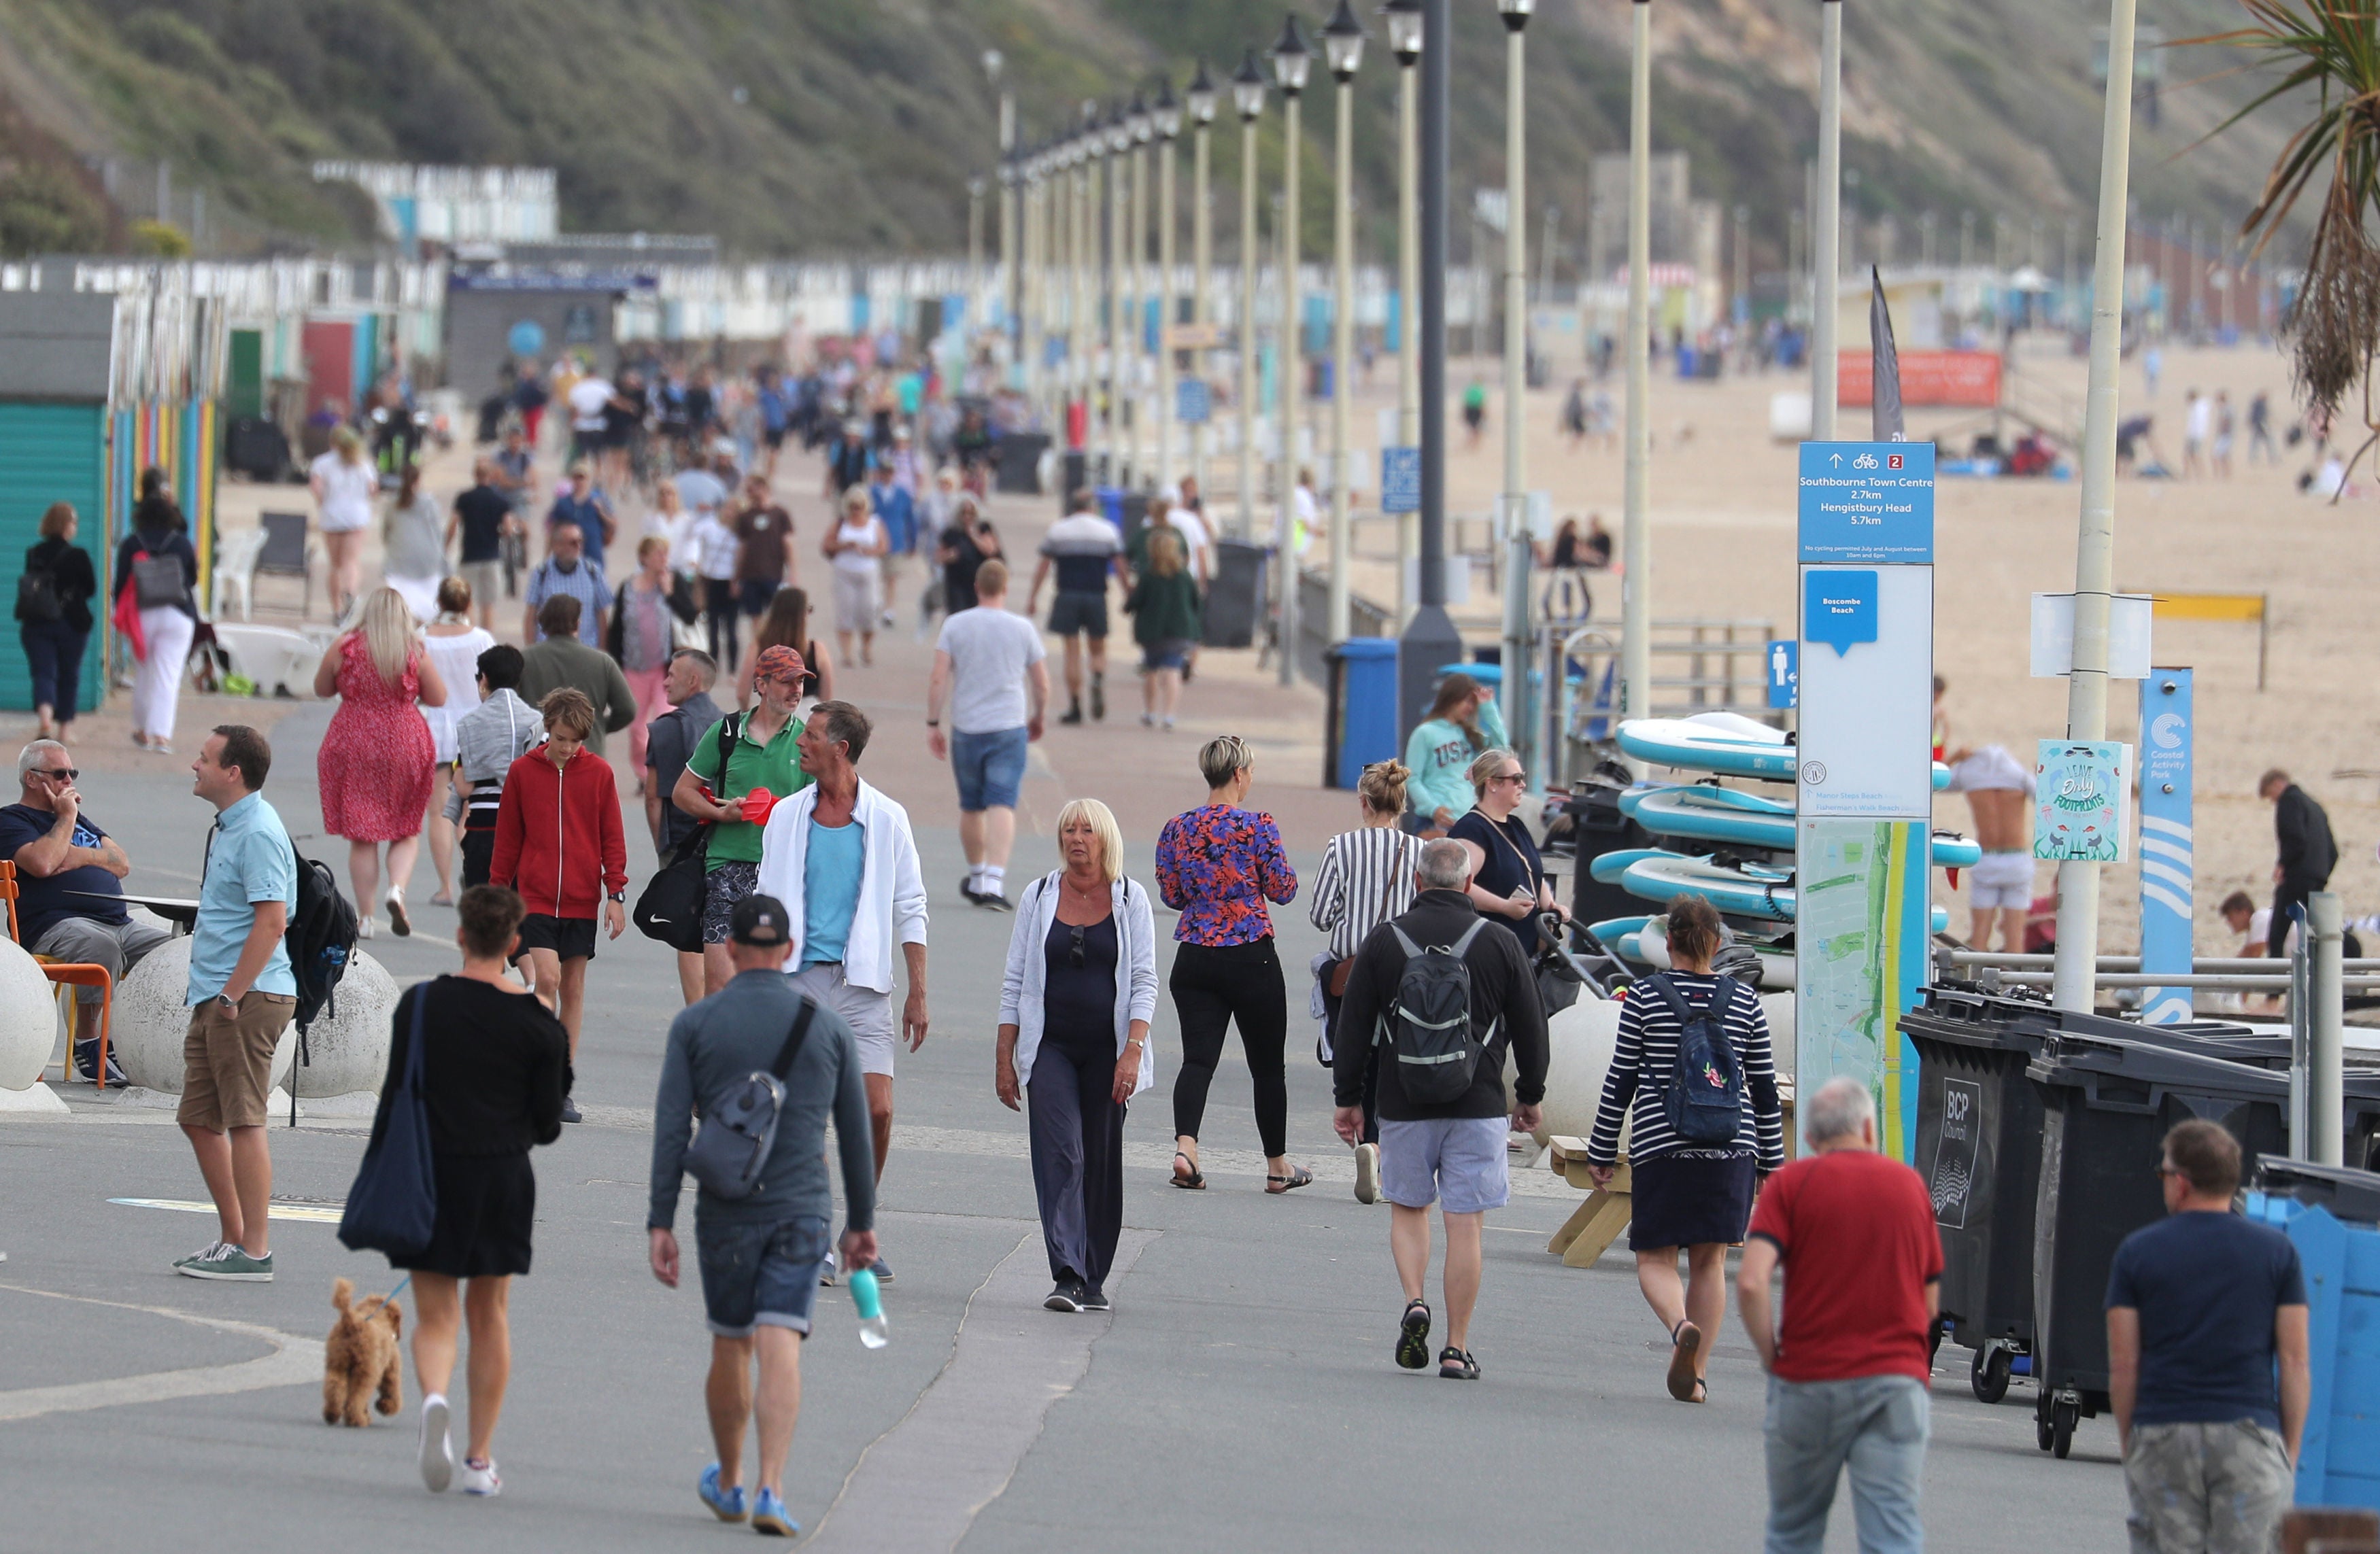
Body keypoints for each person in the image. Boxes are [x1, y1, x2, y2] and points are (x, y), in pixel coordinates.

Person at [647, 893, 877, 1537]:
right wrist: (860, 1223)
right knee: (782, 1339)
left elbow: (670, 1130)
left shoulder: (696, 1026)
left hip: (726, 1211)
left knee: (731, 1338)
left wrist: (659, 1220)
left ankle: (729, 1480)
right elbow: (855, 1132)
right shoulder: (827, 1027)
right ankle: (773, 1489)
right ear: (787, 952)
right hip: (803, 1207)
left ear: (733, 949)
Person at [373, 884, 568, 1500]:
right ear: (514, 945)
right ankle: (480, 1459)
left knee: (437, 1316)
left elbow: (398, 1090)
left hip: (434, 1171)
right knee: (491, 1316)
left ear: (461, 935)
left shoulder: (423, 1005)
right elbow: (547, 1124)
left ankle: (434, 1398)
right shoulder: (540, 1023)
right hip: (503, 1175)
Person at [1331, 838, 1548, 1379]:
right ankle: (1456, 1346)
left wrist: (1348, 1099)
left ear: (1417, 883)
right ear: (1470, 884)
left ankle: (1413, 1301)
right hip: (1477, 1103)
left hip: (1403, 1101)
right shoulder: (1499, 941)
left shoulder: (1384, 941)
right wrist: (1530, 1095)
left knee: (1409, 1209)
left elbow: (1353, 1026)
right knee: (1465, 1225)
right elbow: (1531, 1025)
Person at [1584, 893, 1787, 1402]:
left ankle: (1679, 1328)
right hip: (1731, 1147)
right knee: (1710, 1262)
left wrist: (1602, 1149)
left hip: (1663, 1146)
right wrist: (1771, 1162)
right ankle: (1695, 1376)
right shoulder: (1746, 1002)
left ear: (1668, 941)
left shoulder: (1646, 997)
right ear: (1717, 946)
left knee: (1654, 1259)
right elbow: (1763, 1088)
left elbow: (1621, 1079)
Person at [753, 700, 929, 1279]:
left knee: (877, 1111)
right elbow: (764, 900)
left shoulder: (887, 818)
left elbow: (911, 905)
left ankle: (858, 1227)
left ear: (841, 751)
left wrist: (918, 991)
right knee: (800, 1113)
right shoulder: (785, 816)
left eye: (811, 736)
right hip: (796, 982)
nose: (799, 743)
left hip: (864, 985)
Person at [1737, 1077, 1942, 1554]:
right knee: (1892, 1534)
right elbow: (1931, 1302)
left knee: (1794, 1531)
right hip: (1896, 1382)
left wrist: (1773, 1356)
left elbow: (1751, 1282)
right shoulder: (1910, 1188)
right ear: (1869, 1129)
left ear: (1810, 1139)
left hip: (1810, 1378)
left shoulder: (1789, 1186)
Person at [2107, 1120, 2309, 1554]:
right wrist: (2287, 1451)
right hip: (2247, 1435)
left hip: (2165, 1431)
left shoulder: (2137, 1253)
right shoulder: (2278, 1254)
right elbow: (2294, 1362)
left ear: (2181, 1184)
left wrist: (2132, 1444)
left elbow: (2124, 1364)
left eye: (2163, 1174)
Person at [995, 799, 1157, 1313]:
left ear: (1105, 838)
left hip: (1109, 1053)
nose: (1076, 838)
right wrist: (1006, 1054)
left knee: (1100, 1160)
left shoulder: (1130, 899)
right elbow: (1015, 978)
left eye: (1087, 830)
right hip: (1051, 1048)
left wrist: (1132, 1052)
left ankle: (1094, 1275)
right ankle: (1066, 1272)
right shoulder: (1039, 895)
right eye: (1069, 830)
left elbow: (1145, 982)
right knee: (1062, 1154)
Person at [1155, 734, 1306, 1194]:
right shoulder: (1258, 825)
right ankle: (1278, 1167)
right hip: (1250, 955)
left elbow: (1172, 894)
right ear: (1239, 774)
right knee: (1267, 1067)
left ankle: (1187, 1148)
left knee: (1198, 1060)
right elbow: (1283, 890)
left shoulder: (1178, 827)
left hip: (1195, 955)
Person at [174, 725, 298, 1282]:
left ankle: (256, 1249)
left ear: (234, 773)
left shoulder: (259, 833)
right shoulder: (228, 826)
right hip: (217, 995)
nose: (193, 766)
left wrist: (232, 994)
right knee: (199, 1119)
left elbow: (273, 922)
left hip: (246, 996)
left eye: (204, 759)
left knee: (245, 1121)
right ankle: (233, 1239)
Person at [490, 687, 628, 1123]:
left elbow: (612, 838)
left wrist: (616, 894)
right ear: (547, 729)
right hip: (533, 898)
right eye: (561, 737)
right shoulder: (522, 773)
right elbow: (507, 840)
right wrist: (497, 895)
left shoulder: (601, 774)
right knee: (545, 978)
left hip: (582, 900)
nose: (568, 748)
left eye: (576, 740)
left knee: (573, 988)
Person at [1, 738, 166, 1084]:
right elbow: (43, 863)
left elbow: (121, 863)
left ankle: (144, 1043)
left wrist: (81, 855)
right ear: (32, 779)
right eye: (60, 774)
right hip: (54, 926)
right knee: (101, 947)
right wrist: (67, 818)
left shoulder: (82, 823)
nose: (69, 782)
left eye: (72, 773)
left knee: (174, 952)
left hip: (119, 922)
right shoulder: (12, 820)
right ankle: (89, 1043)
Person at [1308, 760, 1423, 1202]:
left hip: (1353, 967)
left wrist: (1349, 914)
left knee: (1356, 1050)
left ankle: (1363, 1134)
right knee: (1393, 1057)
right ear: (1401, 803)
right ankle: (1380, 1143)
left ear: (1363, 802)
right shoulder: (1418, 851)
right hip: (1403, 966)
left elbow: (1320, 915)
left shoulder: (1342, 846)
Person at [677, 646, 814, 997]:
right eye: (786, 681)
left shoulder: (806, 742)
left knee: (775, 985)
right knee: (720, 985)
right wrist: (721, 813)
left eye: (800, 681)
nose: (796, 689)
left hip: (781, 872)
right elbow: (683, 792)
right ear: (762, 684)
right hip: (726, 868)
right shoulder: (725, 733)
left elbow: (821, 810)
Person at [314, 587, 447, 941]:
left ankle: (366, 917)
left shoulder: (347, 645)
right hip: (404, 739)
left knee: (363, 836)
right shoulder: (413, 649)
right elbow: (438, 696)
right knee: (406, 828)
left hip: (354, 739)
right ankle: (397, 890)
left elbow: (322, 688)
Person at [927, 559, 1049, 910]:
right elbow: (1041, 682)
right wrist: (1038, 715)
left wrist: (933, 722)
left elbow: (939, 677)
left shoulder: (955, 625)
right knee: (1002, 800)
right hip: (1009, 724)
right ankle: (995, 878)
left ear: (977, 587)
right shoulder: (1022, 628)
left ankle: (977, 873)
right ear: (1006, 589)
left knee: (971, 804)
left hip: (967, 726)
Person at [646, 648, 726, 1004]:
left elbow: (653, 797)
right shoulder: (731, 726)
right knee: (720, 927)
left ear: (693, 681)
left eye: (672, 675)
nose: (664, 681)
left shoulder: (665, 729)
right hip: (724, 836)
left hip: (681, 839)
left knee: (686, 926)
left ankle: (697, 1011)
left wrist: (661, 845)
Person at [1448, 748, 1568, 961]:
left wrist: (1550, 906)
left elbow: (1533, 874)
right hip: (1489, 952)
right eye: (1516, 779)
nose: (1522, 785)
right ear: (1492, 784)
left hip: (1523, 952)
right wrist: (1504, 907)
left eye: (1522, 778)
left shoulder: (1516, 825)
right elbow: (1457, 884)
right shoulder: (1472, 829)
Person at [420, 579, 496, 908]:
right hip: (473, 727)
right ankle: (474, 876)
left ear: (439, 601)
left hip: (434, 725)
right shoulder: (481, 639)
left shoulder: (421, 638)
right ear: (468, 604)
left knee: (438, 809)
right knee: (469, 808)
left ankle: (444, 886)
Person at [113, 471, 200, 755]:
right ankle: (161, 735)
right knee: (168, 675)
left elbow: (119, 584)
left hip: (142, 614)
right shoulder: (182, 543)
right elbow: (193, 580)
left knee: (144, 672)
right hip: (177, 614)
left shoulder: (131, 543)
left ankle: (141, 731)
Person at [446, 644, 541, 891]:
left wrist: (458, 767)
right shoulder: (538, 723)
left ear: (484, 679)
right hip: (526, 831)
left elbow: (464, 788)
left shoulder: (471, 725)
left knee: (484, 915)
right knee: (521, 912)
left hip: (484, 830)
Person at [1030, 491, 1125, 725]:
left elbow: (1043, 566)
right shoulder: (1107, 531)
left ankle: (1075, 706)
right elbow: (1120, 565)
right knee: (1098, 648)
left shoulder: (1059, 530)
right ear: (1093, 508)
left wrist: (1033, 597)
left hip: (1067, 595)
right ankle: (1098, 676)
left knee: (1072, 652)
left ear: (1072, 507)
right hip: (1096, 595)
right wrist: (1129, 591)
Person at [517, 595, 638, 759]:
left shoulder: (524, 660)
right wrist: (598, 727)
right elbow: (628, 709)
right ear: (578, 623)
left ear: (543, 622)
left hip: (539, 754)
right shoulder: (602, 662)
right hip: (589, 754)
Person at [17, 502, 98, 743]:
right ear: (67, 525)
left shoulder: (34, 554)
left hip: (37, 623)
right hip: (72, 624)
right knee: (69, 675)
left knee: (43, 672)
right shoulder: (79, 555)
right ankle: (64, 730)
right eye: (74, 523)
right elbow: (91, 588)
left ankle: (44, 718)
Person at [1945, 744, 2036, 952]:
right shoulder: (2019, 777)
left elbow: (1932, 781)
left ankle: (1976, 982)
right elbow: (2046, 800)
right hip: (2017, 858)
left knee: (1979, 937)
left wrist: (1954, 757)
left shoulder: (1972, 779)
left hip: (1986, 857)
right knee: (2014, 939)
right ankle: (2016, 984)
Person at [609, 536, 679, 773]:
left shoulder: (671, 583)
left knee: (666, 718)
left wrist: (670, 593)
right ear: (644, 558)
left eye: (665, 554)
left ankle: (665, 770)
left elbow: (691, 614)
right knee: (637, 726)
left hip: (664, 667)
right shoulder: (628, 588)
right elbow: (616, 628)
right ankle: (644, 773)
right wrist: (614, 663)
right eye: (658, 554)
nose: (663, 559)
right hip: (634, 666)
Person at [1402, 674, 1500, 833]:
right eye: (1467, 701)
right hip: (1434, 823)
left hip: (1468, 820)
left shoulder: (1470, 734)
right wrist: (1433, 809)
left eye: (1473, 703)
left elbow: (1501, 749)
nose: (1470, 708)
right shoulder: (1424, 733)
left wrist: (1488, 708)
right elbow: (1412, 779)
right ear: (1452, 698)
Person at [1124, 529, 1200, 731]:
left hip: (1152, 632)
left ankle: (1150, 712)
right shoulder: (1185, 576)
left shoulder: (1148, 575)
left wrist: (1128, 606)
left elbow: (1136, 601)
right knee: (1173, 670)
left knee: (1151, 670)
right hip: (1180, 630)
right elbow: (1196, 602)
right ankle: (1169, 715)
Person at [2259, 768, 2336, 956]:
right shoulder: (2315, 806)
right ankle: (2319, 981)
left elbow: (2296, 839)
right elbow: (2333, 852)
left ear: (2278, 784)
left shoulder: (2289, 801)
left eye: (2271, 796)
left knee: (2277, 934)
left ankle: (2275, 982)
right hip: (2317, 881)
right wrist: (2322, 875)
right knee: (2319, 936)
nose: (2273, 801)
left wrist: (2282, 864)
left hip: (2296, 877)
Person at [734, 587, 833, 714]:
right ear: (802, 614)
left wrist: (748, 713)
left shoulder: (759, 647)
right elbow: (827, 698)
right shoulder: (817, 649)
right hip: (806, 716)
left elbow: (742, 693)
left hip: (771, 715)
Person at [311, 426, 377, 617]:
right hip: (356, 517)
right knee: (351, 561)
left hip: (332, 516)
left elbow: (316, 488)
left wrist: (323, 503)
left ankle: (336, 607)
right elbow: (372, 489)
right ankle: (350, 592)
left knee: (335, 564)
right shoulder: (362, 462)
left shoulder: (322, 463)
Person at [447, 460, 520, 629]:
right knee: (488, 606)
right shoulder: (500, 501)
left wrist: (446, 546)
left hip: (469, 556)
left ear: (475, 475)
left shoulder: (464, 498)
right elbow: (508, 530)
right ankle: (486, 642)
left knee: (467, 603)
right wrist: (498, 533)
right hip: (492, 557)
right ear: (491, 476)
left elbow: (453, 525)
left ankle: (469, 634)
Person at [822, 486, 887, 668]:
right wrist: (844, 546)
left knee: (869, 611)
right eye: (853, 506)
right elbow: (827, 545)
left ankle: (866, 647)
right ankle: (846, 653)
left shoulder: (874, 523)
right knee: (845, 612)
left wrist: (868, 551)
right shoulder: (841, 524)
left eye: (859, 505)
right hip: (844, 572)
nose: (856, 509)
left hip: (867, 572)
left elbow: (883, 546)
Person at [522, 521, 612, 649]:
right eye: (573, 542)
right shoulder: (541, 573)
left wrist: (602, 652)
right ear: (557, 545)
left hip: (585, 651)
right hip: (549, 652)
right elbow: (531, 616)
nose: (578, 547)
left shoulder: (593, 572)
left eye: (580, 542)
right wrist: (531, 652)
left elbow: (602, 615)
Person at [733, 474, 799, 639]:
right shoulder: (746, 516)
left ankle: (774, 644)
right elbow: (742, 547)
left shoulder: (780, 514)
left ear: (763, 487)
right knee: (755, 616)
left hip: (773, 573)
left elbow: (788, 544)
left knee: (776, 615)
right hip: (750, 574)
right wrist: (736, 577)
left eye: (751, 489)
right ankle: (760, 648)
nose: (749, 493)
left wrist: (792, 573)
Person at [382, 463, 449, 621]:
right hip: (428, 561)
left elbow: (386, 532)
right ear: (418, 480)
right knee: (428, 609)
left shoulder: (393, 504)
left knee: (404, 609)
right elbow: (437, 533)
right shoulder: (429, 503)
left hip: (400, 561)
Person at [545, 462, 617, 581]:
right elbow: (552, 530)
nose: (579, 482)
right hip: (567, 555)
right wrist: (548, 556)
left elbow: (613, 524)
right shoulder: (563, 503)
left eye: (582, 478)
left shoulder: (599, 500)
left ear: (589, 480)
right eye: (576, 478)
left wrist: (601, 512)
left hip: (593, 552)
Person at [867, 458, 915, 628]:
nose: (887, 476)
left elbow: (910, 519)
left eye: (890, 473)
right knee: (875, 576)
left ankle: (889, 609)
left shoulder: (902, 494)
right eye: (884, 472)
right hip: (875, 540)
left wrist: (912, 542)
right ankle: (876, 604)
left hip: (896, 540)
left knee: (892, 577)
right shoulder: (871, 492)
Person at [936, 492, 990, 617]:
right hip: (956, 582)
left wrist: (974, 536)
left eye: (971, 513)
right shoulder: (951, 532)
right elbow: (938, 556)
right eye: (964, 513)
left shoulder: (983, 529)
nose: (967, 517)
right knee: (957, 614)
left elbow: (990, 550)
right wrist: (949, 556)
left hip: (978, 581)